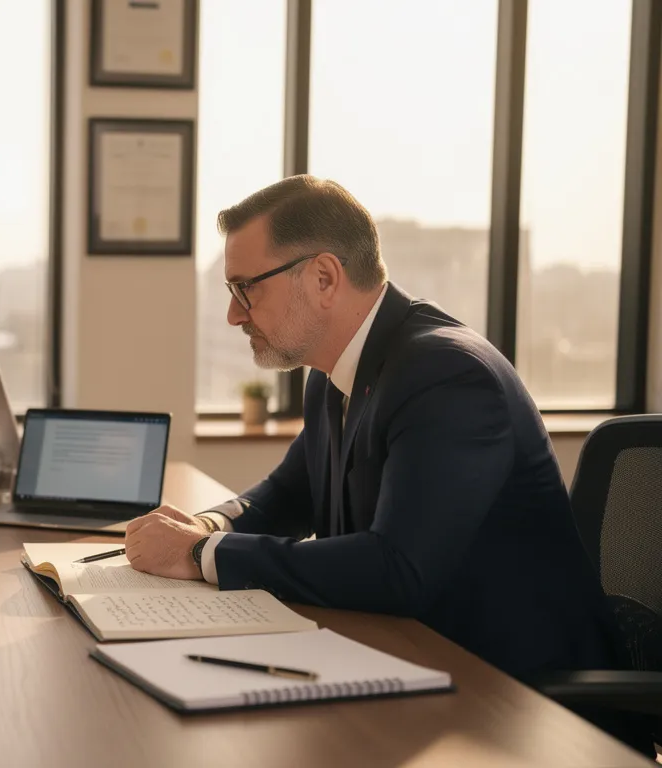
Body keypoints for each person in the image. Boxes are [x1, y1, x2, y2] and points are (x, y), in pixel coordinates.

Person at [124, 175, 650, 752]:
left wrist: (201, 556)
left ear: (324, 277)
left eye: (246, 289)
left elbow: (397, 569)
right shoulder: (337, 373)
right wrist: (206, 526)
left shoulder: (448, 376)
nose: (233, 314)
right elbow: (290, 492)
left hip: (520, 706)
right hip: (416, 662)